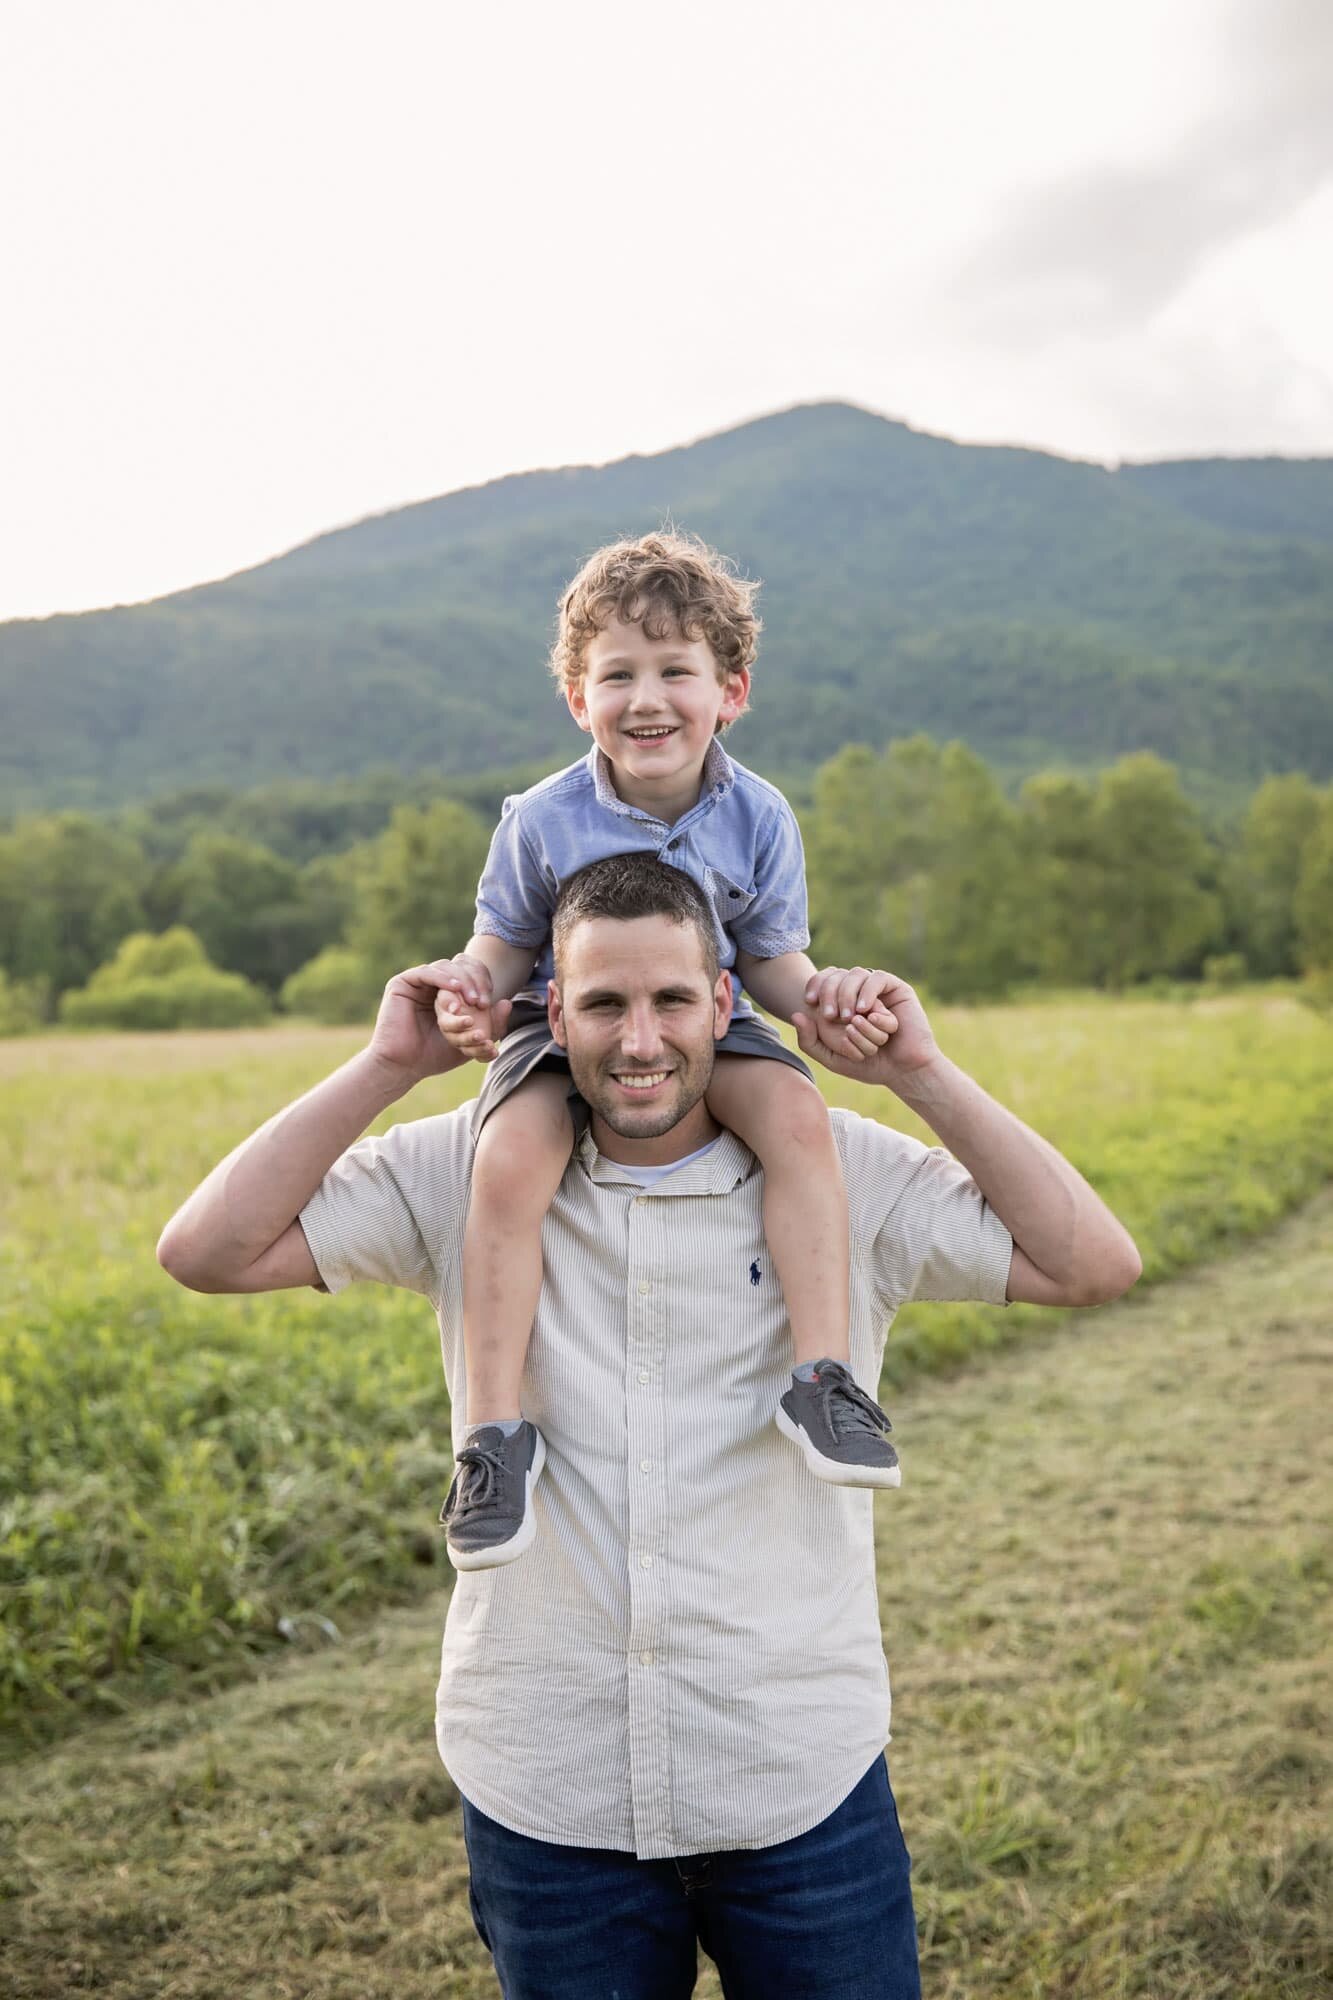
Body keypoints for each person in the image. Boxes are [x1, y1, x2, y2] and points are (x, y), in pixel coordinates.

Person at [157, 851, 1141, 2000]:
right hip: (547, 1786)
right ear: (551, 1011)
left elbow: (1092, 1262)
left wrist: (919, 1070)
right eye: (603, 1003)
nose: (638, 1040)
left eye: (672, 999)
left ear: (723, 1000)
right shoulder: (466, 1172)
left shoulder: (839, 1173)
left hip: (793, 1775)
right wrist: (384, 1066)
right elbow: (205, 1251)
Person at [431, 530, 902, 1570]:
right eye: (618, 674)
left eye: (675, 670)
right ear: (576, 697)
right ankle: (493, 1436)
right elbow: (501, 945)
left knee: (795, 1118)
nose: (647, 698)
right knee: (505, 1159)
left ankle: (825, 1381)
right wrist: (470, 991)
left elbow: (772, 960)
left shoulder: (759, 815)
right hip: (566, 1024)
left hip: (708, 1022)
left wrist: (819, 993)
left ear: (730, 690)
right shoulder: (540, 819)